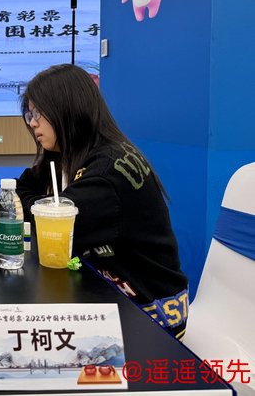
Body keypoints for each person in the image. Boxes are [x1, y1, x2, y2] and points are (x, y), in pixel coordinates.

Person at [15, 64, 188, 339]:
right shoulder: (71, 153)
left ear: (69, 107)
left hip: (151, 314)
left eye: (38, 113)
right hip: (111, 292)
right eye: (29, 114)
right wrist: (43, 203)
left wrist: (42, 207)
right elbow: (22, 188)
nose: (32, 123)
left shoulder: (107, 172)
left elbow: (52, 226)